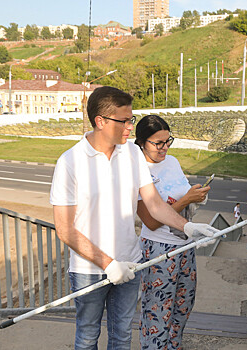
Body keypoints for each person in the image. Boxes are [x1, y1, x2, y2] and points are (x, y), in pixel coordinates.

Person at [50, 87, 218, 350]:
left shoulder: (131, 154)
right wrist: (108, 264)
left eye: (131, 119)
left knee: (122, 337)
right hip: (89, 270)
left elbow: (154, 203)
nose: (130, 127)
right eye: (125, 121)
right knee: (86, 337)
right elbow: (65, 229)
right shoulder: (70, 162)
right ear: (101, 121)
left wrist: (188, 226)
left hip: (130, 263)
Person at [134, 114, 212, 350]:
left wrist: (195, 198)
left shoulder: (173, 161)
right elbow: (150, 220)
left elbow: (181, 196)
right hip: (157, 248)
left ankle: (173, 346)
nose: (164, 147)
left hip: (184, 246)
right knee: (158, 310)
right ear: (141, 143)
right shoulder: (138, 170)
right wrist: (186, 199)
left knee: (183, 305)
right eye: (158, 143)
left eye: (168, 141)